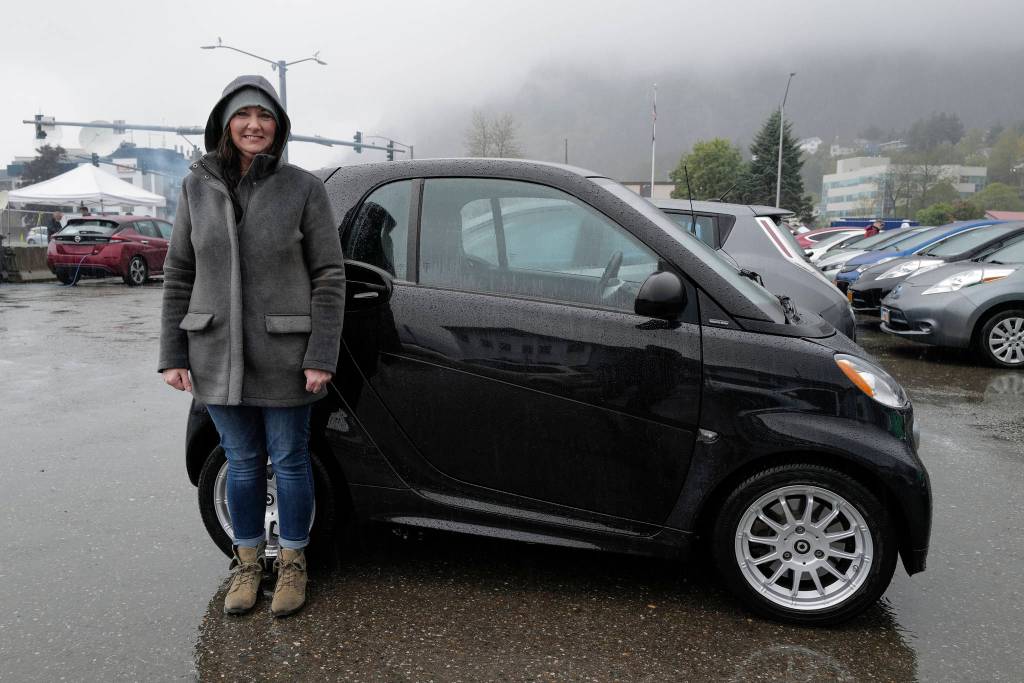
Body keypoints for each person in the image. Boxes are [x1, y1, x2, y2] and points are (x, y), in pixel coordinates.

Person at [158, 75, 345, 618]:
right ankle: (245, 564)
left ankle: (292, 564)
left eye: (265, 117)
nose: (254, 125)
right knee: (241, 463)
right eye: (244, 115)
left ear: (278, 127)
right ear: (225, 122)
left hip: (287, 355)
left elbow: (329, 276)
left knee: (289, 461)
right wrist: (172, 352)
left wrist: (321, 354)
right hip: (215, 350)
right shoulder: (196, 188)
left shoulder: (304, 188)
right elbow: (178, 271)